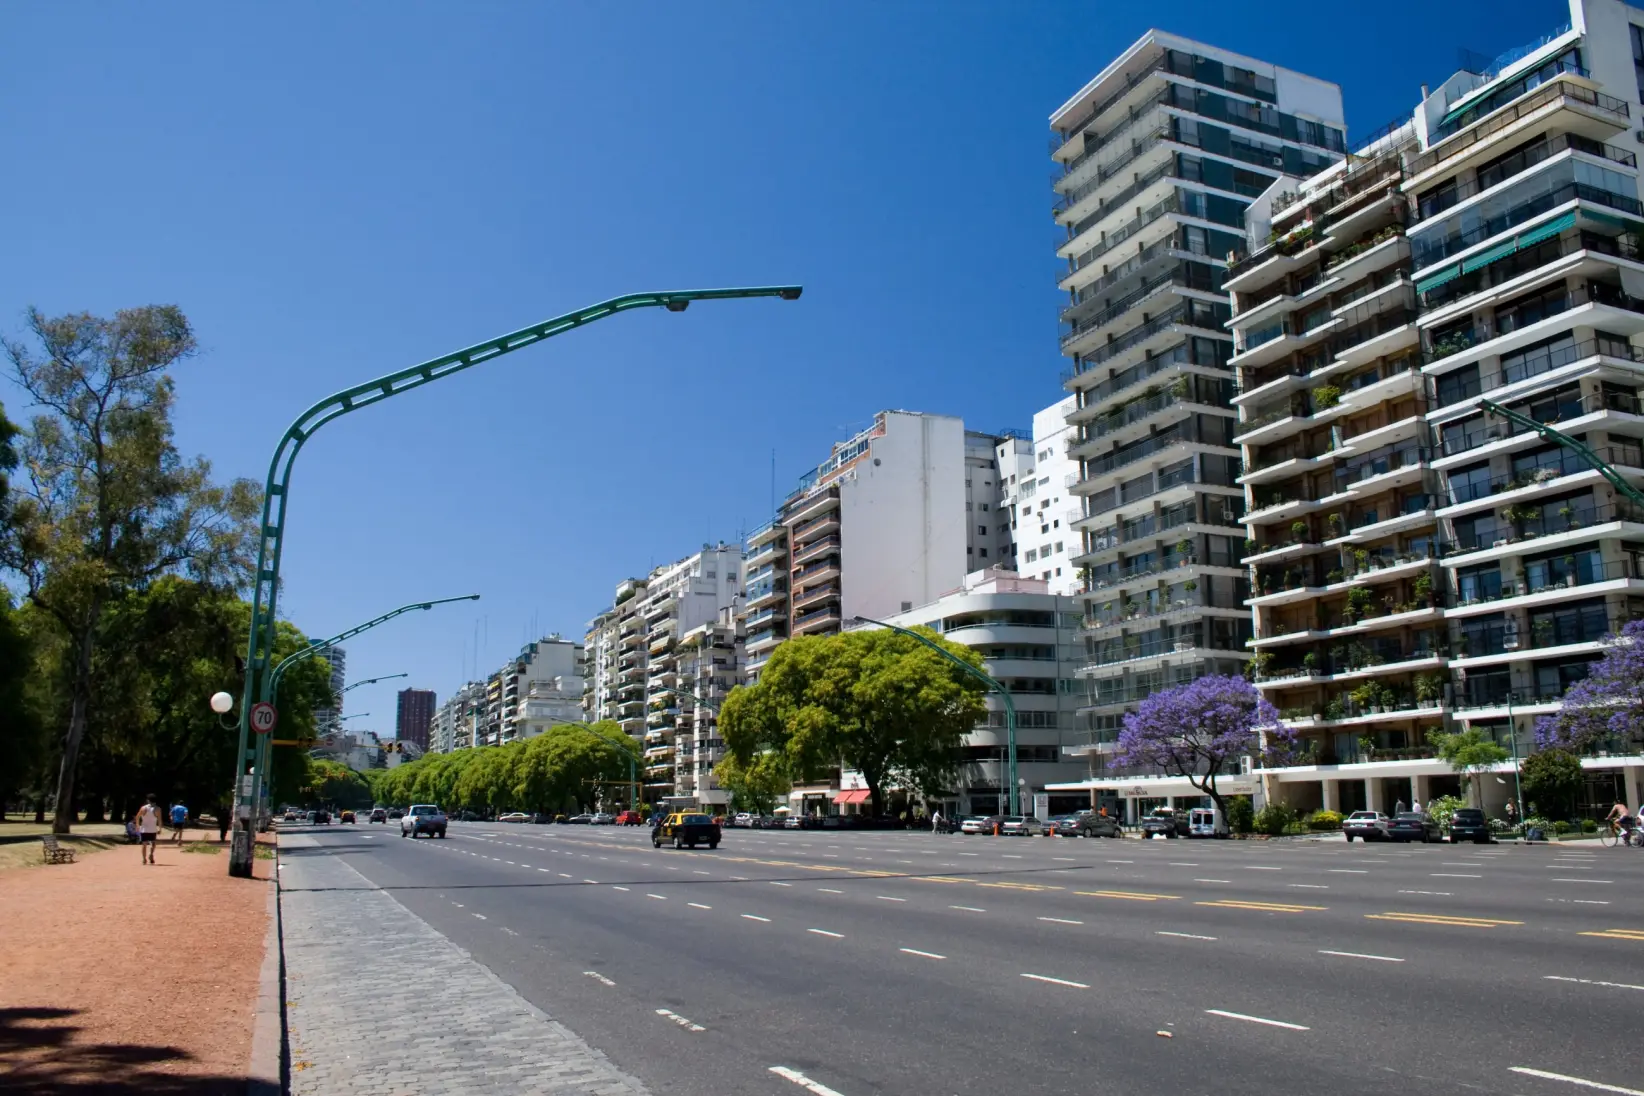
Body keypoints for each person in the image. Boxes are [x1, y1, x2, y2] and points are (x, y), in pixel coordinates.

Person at [134, 795, 162, 864]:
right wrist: (160, 828)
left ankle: (144, 859)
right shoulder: (158, 809)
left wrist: (137, 826)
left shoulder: (143, 808)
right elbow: (159, 820)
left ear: (148, 800)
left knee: (144, 844)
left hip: (144, 829)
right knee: (153, 844)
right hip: (153, 829)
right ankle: (151, 854)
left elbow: (137, 817)